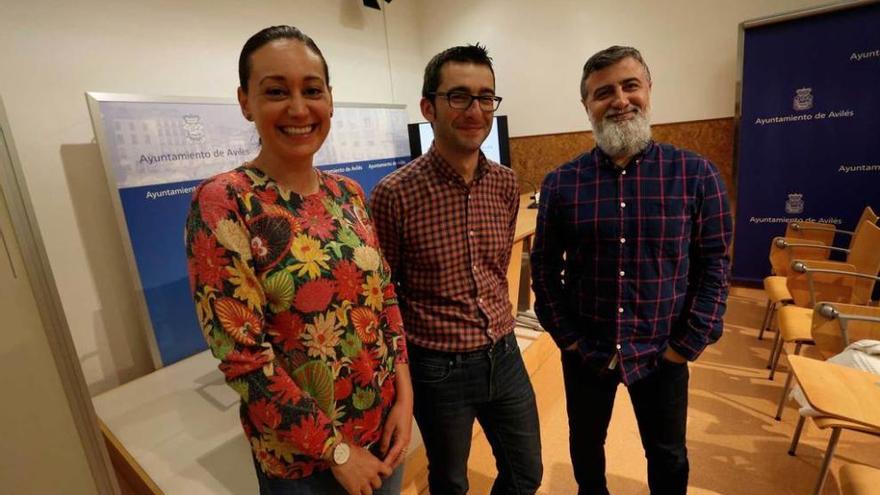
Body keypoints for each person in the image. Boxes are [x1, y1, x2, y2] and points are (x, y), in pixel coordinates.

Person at [184, 25, 412, 495]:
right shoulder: (225, 202)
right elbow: (242, 358)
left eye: (312, 90)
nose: (298, 108)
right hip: (304, 465)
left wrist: (405, 395)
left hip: (383, 433)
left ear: (330, 98)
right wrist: (339, 453)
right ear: (245, 101)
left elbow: (384, 299)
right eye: (275, 91)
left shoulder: (346, 193)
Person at [530, 45, 732, 495]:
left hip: (664, 350)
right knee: (585, 447)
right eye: (603, 92)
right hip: (588, 353)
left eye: (630, 85)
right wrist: (573, 341)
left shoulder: (697, 175)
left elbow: (715, 267)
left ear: (649, 91)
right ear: (587, 106)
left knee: (668, 456)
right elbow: (543, 272)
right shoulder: (561, 184)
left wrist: (687, 343)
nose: (619, 99)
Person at [370, 44, 543, 495]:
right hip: (437, 367)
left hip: (503, 354)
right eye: (459, 96)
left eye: (486, 97)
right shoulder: (395, 195)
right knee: (449, 482)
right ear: (429, 106)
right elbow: (387, 293)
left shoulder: (506, 184)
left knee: (526, 474)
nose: (476, 110)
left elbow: (495, 265)